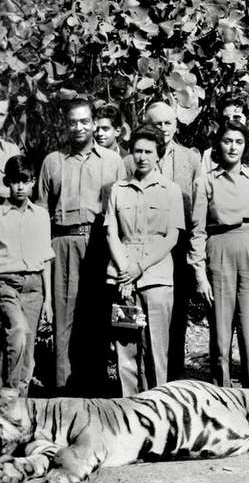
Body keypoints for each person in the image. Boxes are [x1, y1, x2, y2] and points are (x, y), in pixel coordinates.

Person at [37, 99, 126, 394]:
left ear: (93, 123)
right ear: (65, 123)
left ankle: (95, 389)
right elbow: (39, 213)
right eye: (73, 122)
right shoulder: (53, 161)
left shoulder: (113, 162)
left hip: (100, 243)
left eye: (85, 121)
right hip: (63, 241)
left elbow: (124, 209)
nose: (79, 128)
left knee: (97, 318)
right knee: (64, 318)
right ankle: (64, 391)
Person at [190, 121, 249, 388]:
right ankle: (222, 397)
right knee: (220, 336)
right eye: (227, 141)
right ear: (218, 145)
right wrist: (199, 274)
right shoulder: (204, 181)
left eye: (239, 142)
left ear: (246, 147)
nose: (233, 147)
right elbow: (197, 231)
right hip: (218, 252)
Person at [105, 126, 185, 395]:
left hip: (156, 278)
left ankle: (157, 404)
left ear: (158, 155)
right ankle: (129, 407)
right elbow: (112, 233)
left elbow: (171, 236)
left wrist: (139, 267)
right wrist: (125, 269)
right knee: (126, 347)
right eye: (137, 151)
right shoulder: (118, 189)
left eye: (148, 151)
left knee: (155, 348)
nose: (142, 157)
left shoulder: (171, 190)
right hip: (123, 279)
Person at [126, 101, 202, 381]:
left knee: (175, 313)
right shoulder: (132, 159)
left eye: (168, 123)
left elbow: (198, 208)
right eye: (156, 124)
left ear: (177, 125)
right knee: (137, 314)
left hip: (177, 245)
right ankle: (139, 379)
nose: (163, 129)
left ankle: (174, 377)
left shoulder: (191, 160)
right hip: (140, 246)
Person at [0, 156, 54, 399]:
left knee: (27, 348)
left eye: (25, 181)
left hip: (34, 287)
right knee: (17, 333)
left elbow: (45, 260)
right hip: (5, 285)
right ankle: (8, 392)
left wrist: (48, 300)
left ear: (32, 183)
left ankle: (18, 403)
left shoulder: (41, 216)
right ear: (7, 183)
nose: (20, 187)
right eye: (14, 181)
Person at [200, 94, 249, 172]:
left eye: (236, 118)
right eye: (225, 118)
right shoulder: (209, 154)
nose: (230, 122)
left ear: (246, 118)